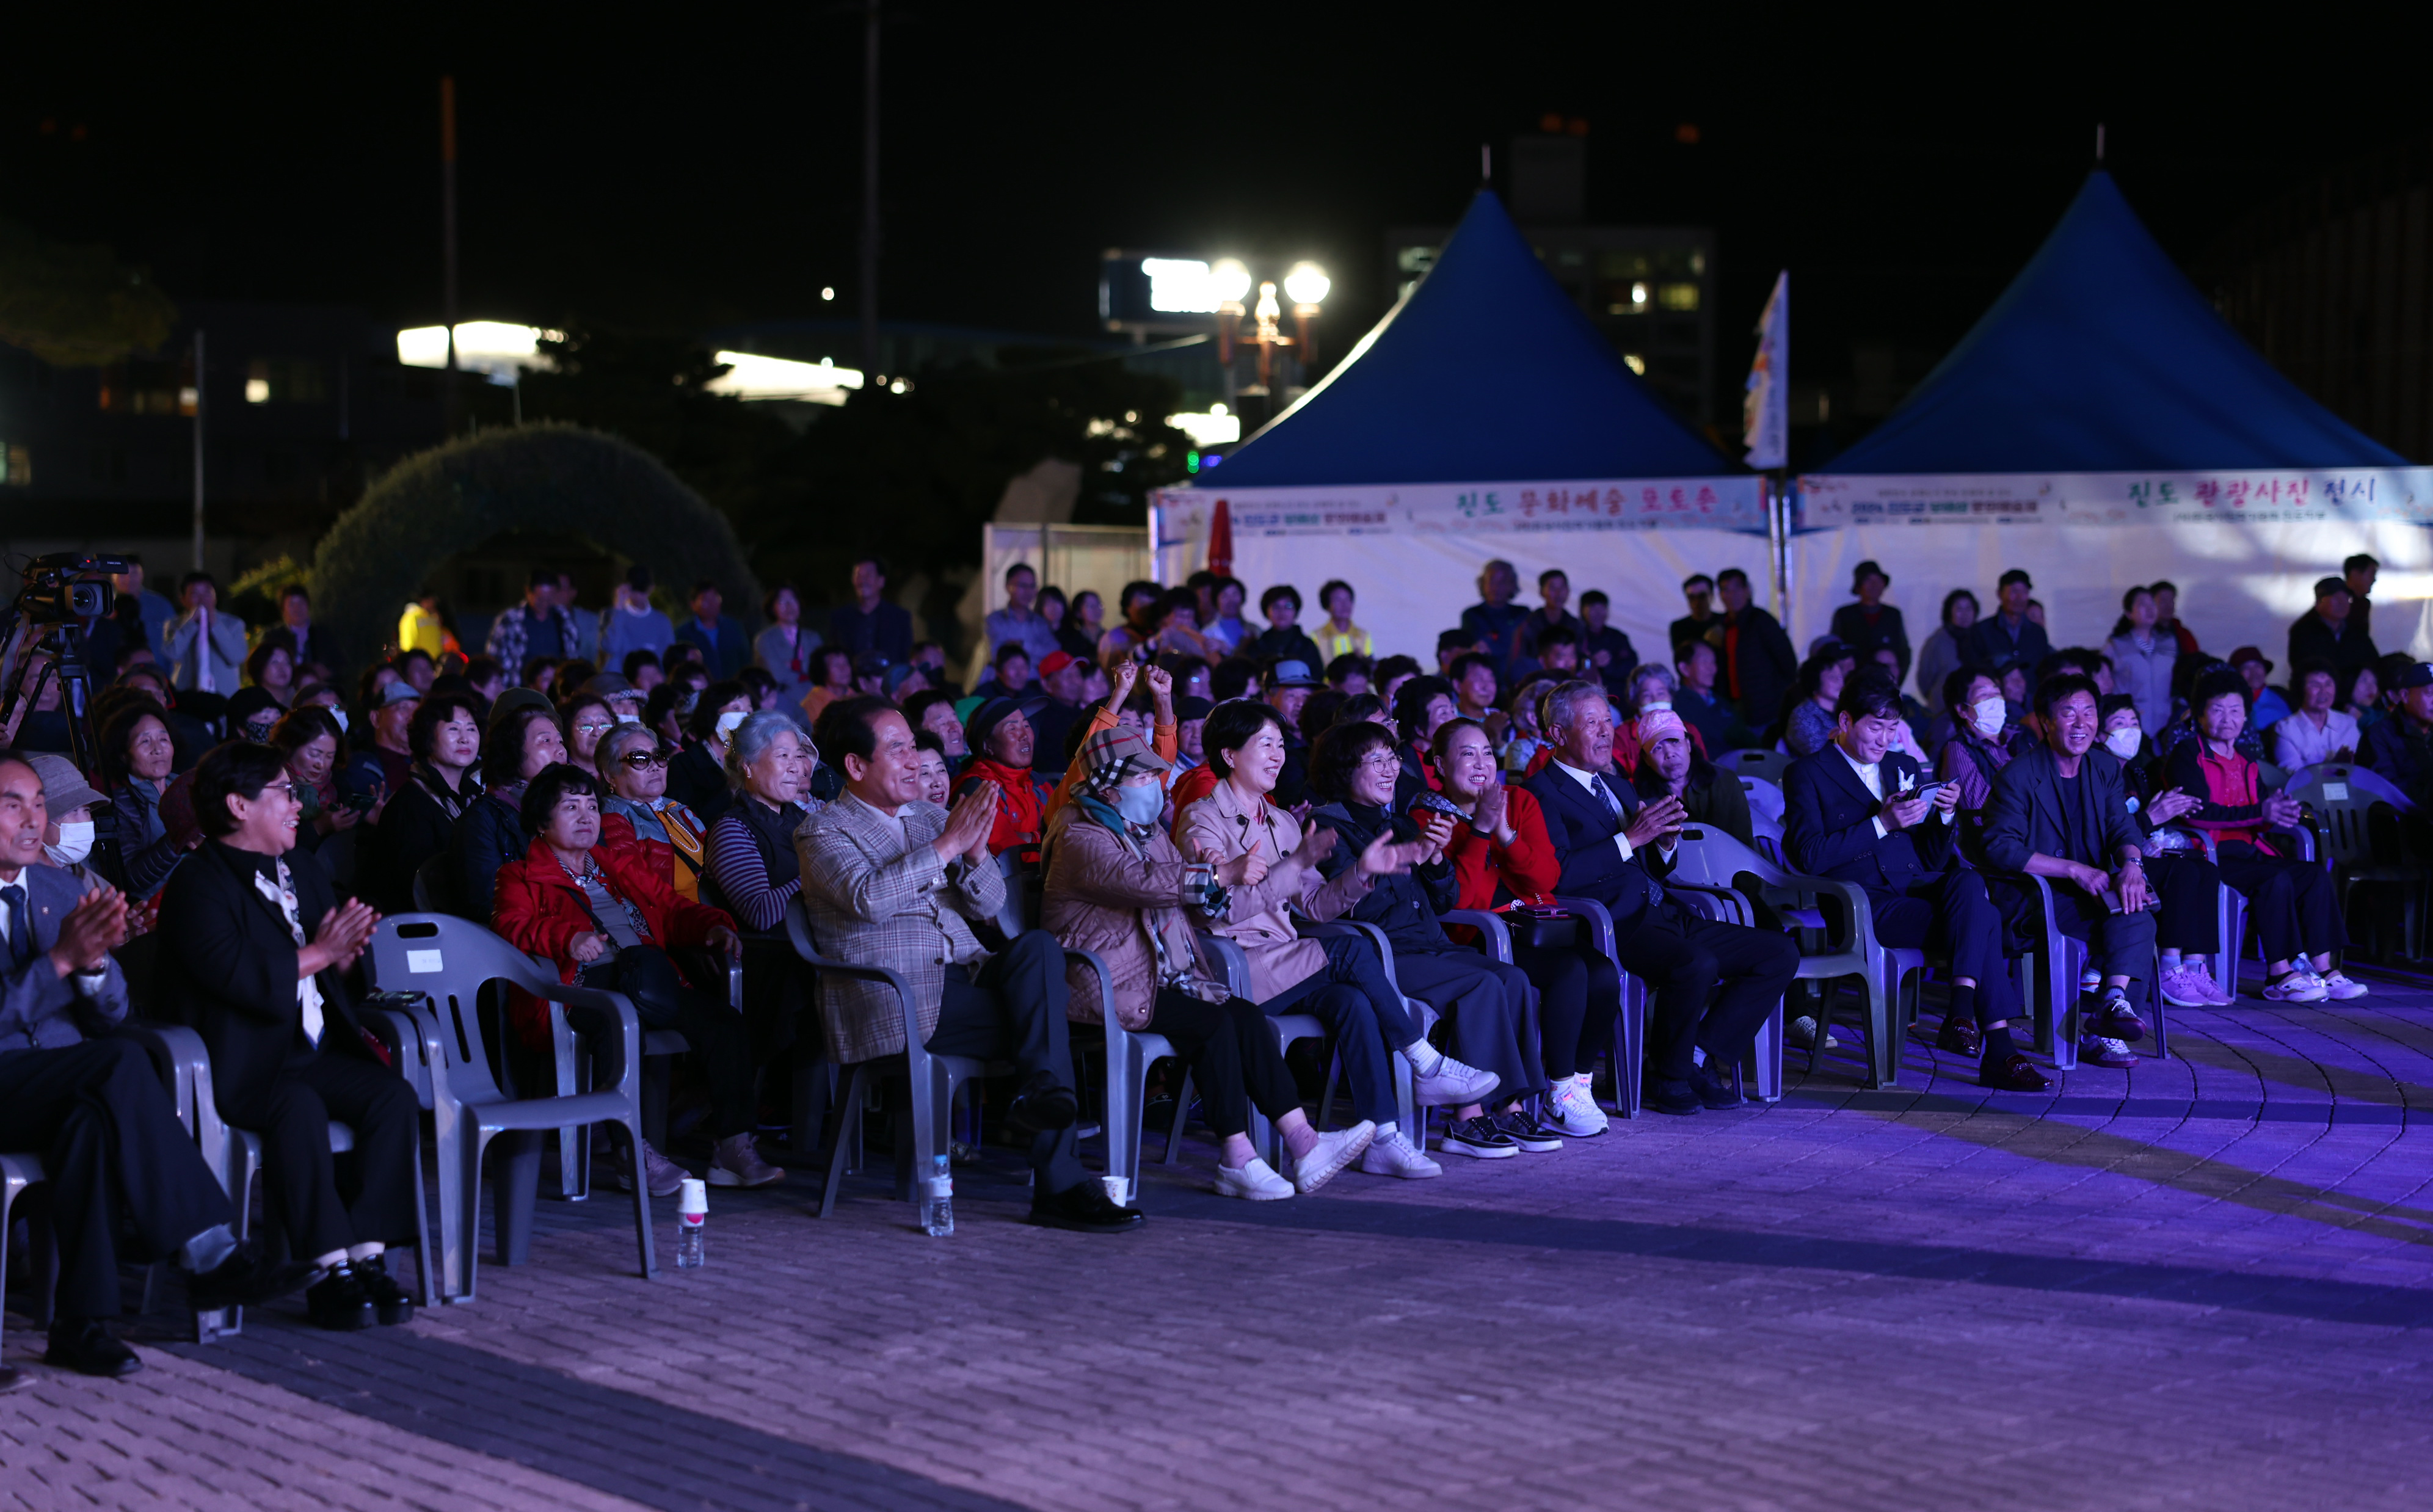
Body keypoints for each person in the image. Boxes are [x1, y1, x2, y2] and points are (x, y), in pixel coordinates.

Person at [0, 754, 318, 1379]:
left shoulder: (63, 889)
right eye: (14, 805)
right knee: (120, 1063)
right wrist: (60, 961)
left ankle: (82, 1325)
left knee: (91, 1124)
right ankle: (209, 1251)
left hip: (62, 1082)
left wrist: (95, 967)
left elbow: (114, 1011)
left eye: (40, 804)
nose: (35, 820)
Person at [799, 696, 1141, 1232]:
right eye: (897, 749)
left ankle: (1042, 1099)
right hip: (899, 995)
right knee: (1046, 1033)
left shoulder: (930, 817)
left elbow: (988, 906)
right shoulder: (823, 830)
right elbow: (868, 899)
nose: (914, 760)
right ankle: (1060, 1179)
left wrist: (977, 854)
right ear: (856, 766)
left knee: (1038, 949)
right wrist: (946, 846)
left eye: (913, 746)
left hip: (968, 977)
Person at [156, 741, 421, 1331]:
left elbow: (336, 962)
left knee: (392, 1097)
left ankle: (367, 1255)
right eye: (284, 791)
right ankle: (326, 1269)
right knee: (297, 1107)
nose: (299, 803)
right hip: (242, 1063)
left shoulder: (301, 866)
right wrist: (322, 952)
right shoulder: (198, 883)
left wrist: (345, 958)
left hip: (313, 1050)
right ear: (239, 805)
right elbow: (236, 974)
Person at [1041, 726, 1373, 1197]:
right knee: (1213, 1023)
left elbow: (1197, 898)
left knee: (1244, 1016)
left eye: (1154, 776)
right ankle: (1236, 1157)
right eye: (1141, 778)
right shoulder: (1079, 834)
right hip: (1107, 984)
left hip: (1160, 976)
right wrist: (1219, 873)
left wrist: (1271, 869)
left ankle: (1305, 1143)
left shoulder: (1147, 833)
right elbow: (1139, 881)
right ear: (1108, 789)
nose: (1153, 786)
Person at [1179, 700, 1489, 1179]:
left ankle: (1384, 1137)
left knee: (1353, 1002)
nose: (1279, 755)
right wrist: (1293, 866)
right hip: (1234, 966)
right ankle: (1424, 1061)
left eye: (1281, 745)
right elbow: (1213, 910)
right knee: (1351, 948)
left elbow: (1315, 907)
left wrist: (1361, 872)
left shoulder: (1282, 821)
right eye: (1266, 745)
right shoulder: (1202, 820)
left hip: (1284, 961)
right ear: (1229, 754)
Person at [1521, 678, 1801, 1116]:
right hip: (1610, 924)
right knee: (1695, 963)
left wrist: (1665, 844)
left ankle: (1694, 1056)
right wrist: (1631, 838)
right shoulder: (1540, 793)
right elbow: (1560, 875)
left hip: (1662, 909)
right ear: (1558, 734)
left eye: (1607, 721)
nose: (1606, 732)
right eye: (1591, 723)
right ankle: (1668, 1077)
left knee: (1778, 952)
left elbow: (1650, 867)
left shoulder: (1616, 785)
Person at [494, 762, 773, 1193]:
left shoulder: (615, 865)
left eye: (592, 806)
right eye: (571, 807)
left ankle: (733, 1147)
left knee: (724, 1023)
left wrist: (714, 926)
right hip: (576, 991)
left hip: (643, 982)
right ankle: (632, 1151)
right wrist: (566, 938)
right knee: (618, 1024)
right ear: (542, 822)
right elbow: (509, 926)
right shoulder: (520, 876)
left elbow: (671, 908)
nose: (587, 816)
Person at [1306, 718, 1555, 1160]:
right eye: (1376, 761)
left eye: (1393, 759)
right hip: (1383, 953)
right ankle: (1466, 1118)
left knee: (1513, 978)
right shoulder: (1327, 828)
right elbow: (1353, 910)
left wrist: (1436, 859)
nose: (1390, 770)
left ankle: (1509, 1107)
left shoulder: (1404, 825)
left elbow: (1445, 901)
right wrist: (1404, 860)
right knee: (1481, 984)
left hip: (1431, 944)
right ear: (1344, 769)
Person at [1783, 669, 2043, 1086]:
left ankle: (1963, 1014)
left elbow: (1931, 858)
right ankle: (1996, 1046)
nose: (1885, 740)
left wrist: (1945, 815)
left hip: (1914, 890)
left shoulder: (1901, 765)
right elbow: (1809, 857)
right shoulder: (1808, 773)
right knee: (1986, 918)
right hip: (1863, 904)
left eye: (1892, 729)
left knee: (1970, 884)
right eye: (1876, 728)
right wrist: (1882, 823)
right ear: (1846, 721)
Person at [1427, 718, 1617, 1137]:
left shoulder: (1519, 801)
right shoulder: (1431, 816)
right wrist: (1480, 831)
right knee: (1569, 972)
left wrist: (1505, 832)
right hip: (1482, 936)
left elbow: (1545, 879)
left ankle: (1576, 1086)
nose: (1482, 764)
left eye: (1487, 753)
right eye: (1467, 754)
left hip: (1536, 925)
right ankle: (1558, 1093)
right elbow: (1462, 901)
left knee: (1604, 974)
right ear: (1440, 764)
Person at [1980, 672, 2157, 1058]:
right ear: (2046, 721)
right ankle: (2107, 1022)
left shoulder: (2104, 768)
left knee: (2136, 908)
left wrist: (2132, 865)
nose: (2082, 724)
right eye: (2068, 713)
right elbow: (2000, 847)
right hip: (2034, 897)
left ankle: (2111, 1005)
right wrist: (2073, 870)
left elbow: (2122, 826)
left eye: (2089, 712)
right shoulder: (2018, 775)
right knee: (2127, 922)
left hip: (2091, 890)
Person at [2169, 669, 2366, 1002]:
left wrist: (2280, 813)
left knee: (2314, 875)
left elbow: (2260, 811)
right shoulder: (2188, 754)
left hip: (2249, 852)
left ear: (2246, 716)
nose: (2228, 719)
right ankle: (2280, 975)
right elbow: (2196, 813)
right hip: (2209, 856)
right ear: (2200, 715)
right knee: (2274, 879)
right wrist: (2262, 812)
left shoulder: (2247, 760)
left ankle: (2324, 969)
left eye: (2235, 710)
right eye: (2217, 710)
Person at [2097, 694, 2232, 1012]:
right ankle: (2170, 966)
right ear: (2100, 733)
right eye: (2120, 723)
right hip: (2112, 862)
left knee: (2206, 869)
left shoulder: (2136, 772)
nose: (2130, 730)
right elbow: (2105, 830)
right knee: (2181, 874)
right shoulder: (2097, 772)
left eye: (2134, 723)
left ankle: (2196, 967)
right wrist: (2150, 818)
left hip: (2141, 853)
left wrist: (2158, 827)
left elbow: (2144, 822)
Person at [704, 710, 820, 1064]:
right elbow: (762, 913)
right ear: (748, 766)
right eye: (783, 756)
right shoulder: (732, 829)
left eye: (798, 756)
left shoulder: (802, 818)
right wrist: (822, 872)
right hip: (775, 961)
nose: (795, 767)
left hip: (817, 945)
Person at [448, 699, 566, 920]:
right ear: (513, 752)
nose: (560, 750)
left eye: (560, 741)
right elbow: (488, 905)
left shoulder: (573, 807)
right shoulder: (482, 820)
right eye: (546, 741)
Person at [365, 692, 482, 915]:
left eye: (471, 729)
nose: (465, 738)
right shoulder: (411, 805)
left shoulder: (474, 798)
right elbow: (420, 889)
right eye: (453, 729)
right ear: (428, 736)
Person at [597, 722, 710, 901]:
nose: (655, 766)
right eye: (640, 759)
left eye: (659, 756)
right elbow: (641, 894)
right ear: (610, 774)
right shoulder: (613, 820)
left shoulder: (678, 809)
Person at [96, 701, 187, 903]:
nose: (158, 749)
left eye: (163, 739)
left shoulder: (190, 787)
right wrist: (178, 836)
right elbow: (130, 880)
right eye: (145, 741)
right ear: (123, 755)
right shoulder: (120, 805)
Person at [1632, 710, 1751, 846]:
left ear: (1688, 745)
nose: (1669, 754)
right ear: (1646, 759)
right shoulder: (1641, 801)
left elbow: (1744, 843)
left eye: (1675, 742)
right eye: (1657, 748)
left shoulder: (1724, 781)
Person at [1714, 567, 1798, 733]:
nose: (1731, 595)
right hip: (1737, 706)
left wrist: (1777, 700)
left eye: (1736, 589)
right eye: (1726, 590)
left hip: (1767, 709)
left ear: (1747, 590)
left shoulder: (1762, 621)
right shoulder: (1723, 626)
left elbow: (1788, 663)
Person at [667, 680, 752, 824]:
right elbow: (681, 820)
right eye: (736, 708)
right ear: (714, 713)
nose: (745, 716)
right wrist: (730, 790)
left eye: (749, 712)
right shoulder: (684, 764)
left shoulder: (753, 757)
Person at [2103, 585, 2176, 738]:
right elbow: (2103, 679)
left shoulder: (2169, 643)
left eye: (2152, 604)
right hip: (2130, 720)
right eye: (2143, 604)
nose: (2150, 609)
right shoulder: (2117, 645)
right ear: (2129, 613)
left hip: (2165, 719)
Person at [165, 571, 247, 696]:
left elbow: (237, 657)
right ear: (183, 600)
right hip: (186, 694)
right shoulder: (175, 624)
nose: (202, 600)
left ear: (215, 597)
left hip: (224, 696)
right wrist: (191, 624)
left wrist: (214, 625)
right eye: (195, 594)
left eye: (207, 593)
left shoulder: (233, 624)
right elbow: (172, 654)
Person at [2274, 658, 2362, 770]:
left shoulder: (2348, 723)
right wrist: (2332, 767)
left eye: (2328, 684)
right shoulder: (2286, 729)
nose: (2323, 691)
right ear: (2301, 689)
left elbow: (2360, 768)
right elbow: (2292, 774)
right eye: (2315, 685)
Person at [486, 568, 577, 675]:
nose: (545, 604)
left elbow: (573, 653)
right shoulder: (509, 620)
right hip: (518, 683)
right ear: (528, 592)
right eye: (540, 599)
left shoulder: (563, 618)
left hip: (555, 682)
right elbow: (493, 657)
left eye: (550, 599)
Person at [1828, 560, 1908, 680]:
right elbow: (1835, 650)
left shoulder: (1893, 615)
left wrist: (1896, 679)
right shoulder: (1845, 615)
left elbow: (1903, 652)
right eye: (1869, 580)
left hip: (1885, 681)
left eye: (1878, 580)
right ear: (1859, 586)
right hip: (1853, 681)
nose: (1874, 585)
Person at [829, 555, 914, 665]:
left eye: (868, 575)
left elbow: (906, 658)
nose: (862, 581)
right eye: (858, 575)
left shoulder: (900, 617)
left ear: (881, 581)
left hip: (889, 676)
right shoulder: (840, 617)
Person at [1963, 569, 2053, 674]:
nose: (2020, 598)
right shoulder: (1982, 631)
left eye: (2024, 592)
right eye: (2014, 591)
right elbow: (1974, 670)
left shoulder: (2038, 633)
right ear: (2000, 594)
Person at [2288, 575, 2378, 679]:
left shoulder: (2356, 631)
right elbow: (2302, 670)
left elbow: (2373, 662)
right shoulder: (2303, 632)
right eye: (2336, 598)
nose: (2343, 603)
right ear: (2319, 603)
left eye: (2347, 598)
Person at [1460, 558, 1531, 683]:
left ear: (1512, 585)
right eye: (1492, 580)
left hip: (1519, 682)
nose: (1497, 587)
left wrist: (1491, 643)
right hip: (1482, 682)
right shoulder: (1472, 615)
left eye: (1502, 581)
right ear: (1483, 583)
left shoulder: (1522, 614)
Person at [753, 584, 821, 708]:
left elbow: (820, 670)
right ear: (772, 608)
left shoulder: (813, 637)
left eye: (793, 600)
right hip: (783, 703)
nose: (789, 606)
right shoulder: (765, 639)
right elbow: (776, 675)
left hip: (815, 700)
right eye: (782, 601)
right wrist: (804, 670)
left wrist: (793, 665)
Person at [985, 563, 1062, 667]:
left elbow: (1054, 651)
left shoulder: (1039, 622)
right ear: (1008, 587)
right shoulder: (995, 620)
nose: (1028, 591)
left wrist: (1024, 645)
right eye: (1023, 586)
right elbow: (998, 657)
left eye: (1032, 586)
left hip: (1035, 677)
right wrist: (1038, 656)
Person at [1914, 590, 1977, 715]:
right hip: (1941, 708)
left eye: (1968, 609)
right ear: (1949, 612)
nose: (1964, 614)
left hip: (1975, 709)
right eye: (1959, 609)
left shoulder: (1981, 638)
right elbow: (1925, 678)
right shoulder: (1937, 641)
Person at [600, 565, 674, 673]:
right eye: (634, 589)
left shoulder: (662, 621)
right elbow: (611, 648)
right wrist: (619, 608)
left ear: (651, 588)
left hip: (649, 681)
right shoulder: (610, 614)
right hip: (618, 679)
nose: (638, 596)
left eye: (642, 590)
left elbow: (668, 660)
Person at [674, 580, 748, 680]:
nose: (712, 604)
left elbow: (745, 658)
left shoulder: (733, 627)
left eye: (716, 598)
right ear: (693, 605)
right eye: (706, 600)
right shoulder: (684, 633)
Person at [1782, 650, 1849, 757]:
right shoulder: (1803, 715)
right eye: (1832, 677)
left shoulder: (1845, 708)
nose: (1839, 681)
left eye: (1840, 676)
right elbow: (1818, 752)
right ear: (1815, 680)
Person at [1518, 569, 1583, 663]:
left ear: (1568, 591)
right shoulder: (1529, 624)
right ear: (1542, 592)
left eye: (1562, 588)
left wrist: (1590, 662)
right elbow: (1520, 660)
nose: (1558, 593)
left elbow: (1582, 659)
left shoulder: (1576, 625)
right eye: (1552, 588)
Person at [2228, 645, 2293, 733]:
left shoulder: (2283, 695)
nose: (2254, 672)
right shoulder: (2229, 704)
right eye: (2246, 668)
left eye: (2257, 666)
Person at [1669, 573, 1720, 662]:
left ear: (1712, 596)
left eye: (1702, 596)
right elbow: (1681, 661)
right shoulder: (1679, 628)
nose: (1697, 602)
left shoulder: (1725, 621)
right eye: (1692, 598)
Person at [244, 631, 299, 708]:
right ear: (259, 666)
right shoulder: (248, 704)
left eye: (287, 662)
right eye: (275, 662)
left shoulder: (301, 701)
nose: (282, 667)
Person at [1057, 588, 1106, 663]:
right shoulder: (1073, 641)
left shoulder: (1109, 637)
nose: (1096, 609)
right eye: (1090, 606)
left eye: (1099, 605)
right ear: (1078, 613)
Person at [2344, 553, 2381, 645]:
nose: (2374, 580)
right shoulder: (2340, 604)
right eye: (2372, 574)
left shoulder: (2363, 604)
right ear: (2355, 574)